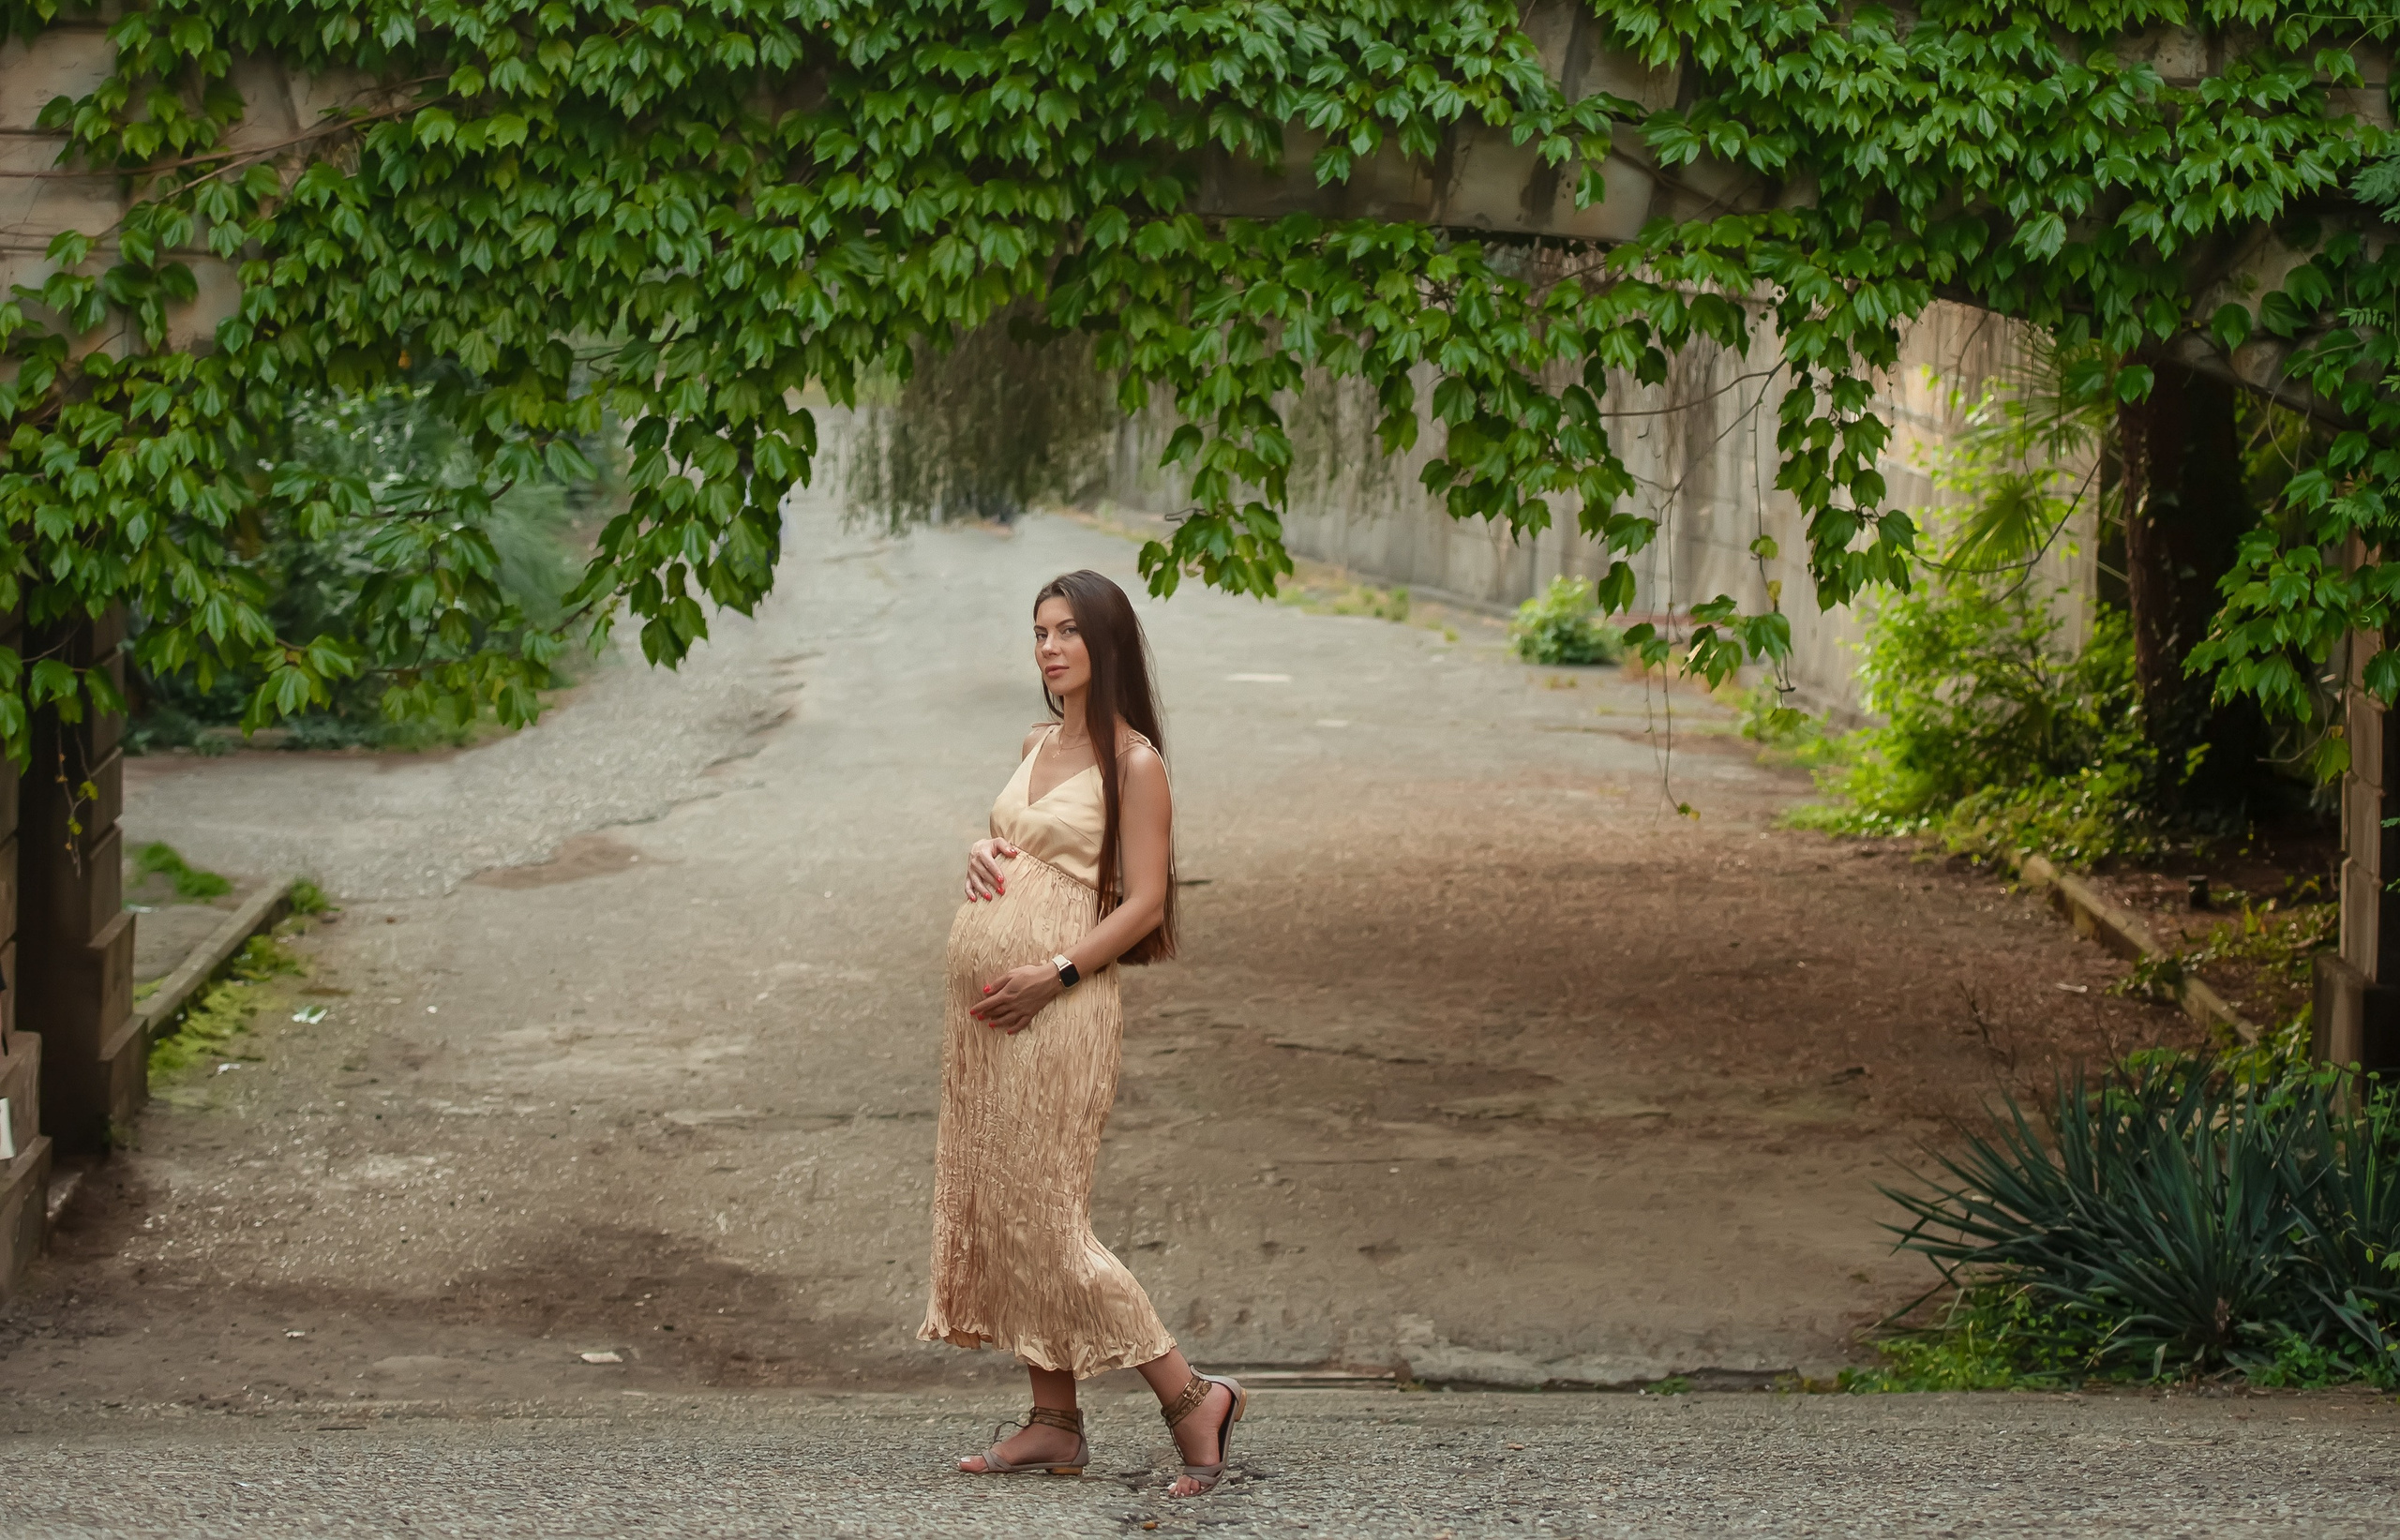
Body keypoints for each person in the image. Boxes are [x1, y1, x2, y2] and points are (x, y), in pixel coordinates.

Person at [919, 569, 1243, 1496]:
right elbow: (1022, 840)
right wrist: (983, 847)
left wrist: (1054, 972)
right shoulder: (1035, 740)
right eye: (1039, 632)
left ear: (1106, 642)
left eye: (1067, 630)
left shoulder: (1135, 762)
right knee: (1001, 1207)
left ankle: (1194, 1396)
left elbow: (1144, 903)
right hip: (988, 1016)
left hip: (1062, 1005)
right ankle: (1053, 1423)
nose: (1050, 647)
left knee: (1048, 1220)